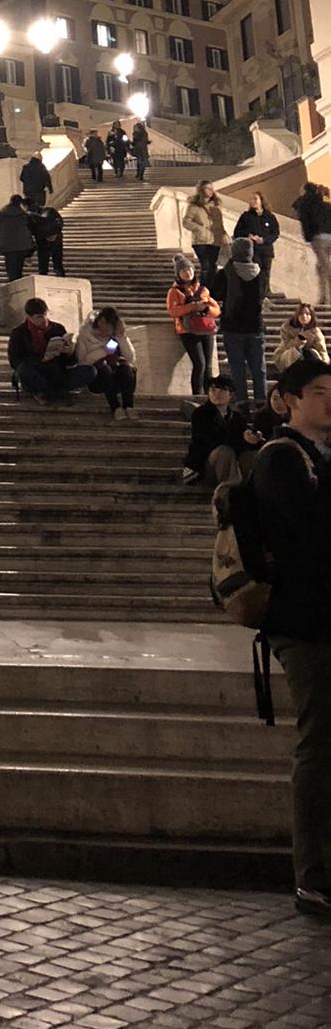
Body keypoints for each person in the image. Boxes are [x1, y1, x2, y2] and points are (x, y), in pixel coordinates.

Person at [249, 353, 331, 919]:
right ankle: (314, 875)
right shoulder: (281, 458)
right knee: (320, 744)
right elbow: (317, 530)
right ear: (290, 399)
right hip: (305, 624)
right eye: (321, 392)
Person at [8, 298, 96, 402]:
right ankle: (56, 393)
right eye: (39, 317)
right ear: (29, 317)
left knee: (90, 371)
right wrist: (41, 359)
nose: (44, 319)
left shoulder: (57, 328)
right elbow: (15, 361)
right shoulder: (19, 332)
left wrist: (69, 352)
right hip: (36, 372)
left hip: (57, 372)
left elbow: (70, 362)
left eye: (45, 314)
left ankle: (48, 393)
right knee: (24, 371)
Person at [183, 374, 264, 486]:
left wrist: (253, 439)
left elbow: (243, 439)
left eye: (222, 390)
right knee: (224, 451)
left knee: (250, 455)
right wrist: (242, 440)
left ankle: (248, 491)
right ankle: (227, 490)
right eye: (213, 390)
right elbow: (211, 441)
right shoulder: (200, 414)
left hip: (231, 464)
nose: (217, 394)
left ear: (231, 395)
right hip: (205, 466)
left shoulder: (237, 417)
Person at [220, 235, 269, 411]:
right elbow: (262, 296)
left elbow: (215, 291)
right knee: (258, 367)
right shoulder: (260, 273)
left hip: (233, 326)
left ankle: (241, 401)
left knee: (237, 367)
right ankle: (261, 400)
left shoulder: (227, 272)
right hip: (255, 326)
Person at [167, 256, 220, 399]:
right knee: (199, 363)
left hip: (206, 329)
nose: (187, 272)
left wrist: (206, 308)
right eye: (183, 270)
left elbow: (216, 310)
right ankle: (197, 396)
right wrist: (193, 306)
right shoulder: (174, 292)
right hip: (188, 330)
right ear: (178, 274)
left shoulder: (203, 289)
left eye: (189, 268)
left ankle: (210, 396)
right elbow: (173, 311)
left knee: (208, 365)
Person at [75, 306, 138, 417]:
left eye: (108, 324)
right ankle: (115, 407)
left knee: (126, 368)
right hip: (97, 379)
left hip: (115, 377)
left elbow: (131, 358)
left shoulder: (115, 338)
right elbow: (83, 361)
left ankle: (129, 406)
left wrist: (121, 338)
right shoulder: (85, 335)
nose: (104, 326)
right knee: (105, 369)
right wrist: (105, 351)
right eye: (102, 322)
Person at [183, 182, 229, 287]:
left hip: (215, 240)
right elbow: (186, 222)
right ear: (201, 190)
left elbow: (219, 223)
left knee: (213, 266)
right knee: (206, 265)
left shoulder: (216, 206)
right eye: (208, 188)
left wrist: (223, 234)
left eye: (211, 188)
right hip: (200, 241)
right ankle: (203, 289)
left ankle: (211, 290)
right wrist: (200, 229)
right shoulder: (194, 206)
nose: (211, 191)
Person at [234, 191, 280, 292]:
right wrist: (248, 235)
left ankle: (266, 291)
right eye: (251, 199)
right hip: (252, 250)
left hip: (266, 250)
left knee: (266, 272)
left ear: (261, 201)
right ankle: (257, 292)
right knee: (256, 271)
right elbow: (237, 232)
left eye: (255, 199)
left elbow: (275, 233)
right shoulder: (246, 216)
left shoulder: (270, 217)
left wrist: (264, 240)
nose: (252, 201)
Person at [293, 180, 331, 305]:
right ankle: (323, 297)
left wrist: (308, 235)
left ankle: (327, 297)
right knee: (320, 267)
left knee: (325, 266)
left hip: (319, 237)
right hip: (328, 235)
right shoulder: (324, 201)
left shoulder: (304, 202)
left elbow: (296, 208)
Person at [0, 194, 35, 282]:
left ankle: (13, 284)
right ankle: (18, 284)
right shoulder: (23, 215)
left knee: (11, 269)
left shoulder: (1, 213)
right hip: (22, 245)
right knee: (19, 269)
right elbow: (30, 230)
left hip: (7, 246)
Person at [276, 303, 330, 373]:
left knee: (311, 352)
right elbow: (286, 345)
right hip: (288, 358)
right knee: (296, 352)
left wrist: (325, 366)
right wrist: (298, 341)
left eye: (307, 314)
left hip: (309, 359)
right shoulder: (287, 328)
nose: (304, 316)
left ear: (311, 316)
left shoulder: (316, 332)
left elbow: (322, 350)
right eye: (301, 314)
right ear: (297, 315)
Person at [31, 203, 66, 277]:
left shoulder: (32, 216)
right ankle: (60, 275)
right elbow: (60, 223)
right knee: (57, 260)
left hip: (42, 240)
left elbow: (32, 230)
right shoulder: (51, 211)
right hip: (56, 238)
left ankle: (44, 276)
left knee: (43, 262)